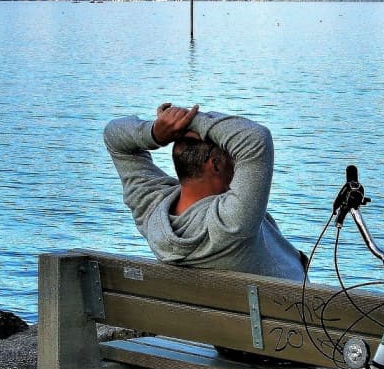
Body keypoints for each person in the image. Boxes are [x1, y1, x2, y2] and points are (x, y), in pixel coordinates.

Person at [103, 102, 306, 281]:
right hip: (289, 315)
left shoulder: (150, 209)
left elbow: (114, 137)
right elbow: (255, 138)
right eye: (231, 156)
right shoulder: (231, 222)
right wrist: (189, 120)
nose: (237, 163)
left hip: (217, 320)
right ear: (215, 165)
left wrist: (156, 131)